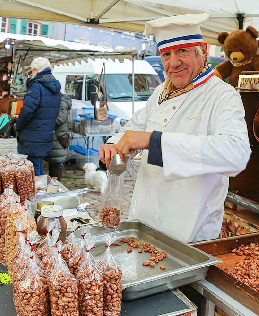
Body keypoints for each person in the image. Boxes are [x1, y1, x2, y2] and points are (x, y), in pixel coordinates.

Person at [99, 13, 251, 243]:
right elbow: (134, 128)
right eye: (166, 54)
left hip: (191, 233)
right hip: (146, 222)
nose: (174, 62)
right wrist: (114, 145)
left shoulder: (222, 95)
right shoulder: (162, 91)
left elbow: (237, 153)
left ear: (203, 50)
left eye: (182, 51)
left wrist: (153, 141)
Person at [15, 57, 61, 176]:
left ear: (36, 70)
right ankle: (41, 190)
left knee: (33, 168)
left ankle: (39, 193)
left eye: (32, 71)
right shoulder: (55, 87)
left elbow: (27, 111)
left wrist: (18, 126)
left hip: (33, 134)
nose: (32, 74)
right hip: (46, 133)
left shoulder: (37, 86)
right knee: (36, 165)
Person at [44, 94, 72, 180]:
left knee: (57, 161)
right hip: (55, 135)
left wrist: (45, 120)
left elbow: (61, 119)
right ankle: (53, 186)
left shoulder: (62, 101)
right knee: (54, 160)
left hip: (58, 136)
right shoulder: (55, 99)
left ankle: (56, 187)